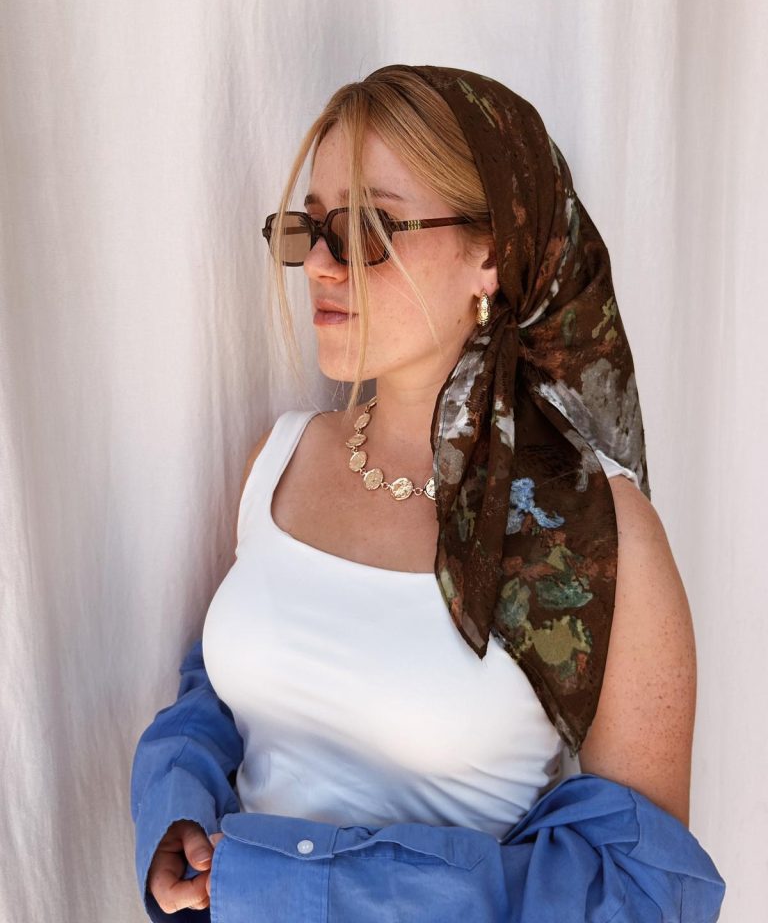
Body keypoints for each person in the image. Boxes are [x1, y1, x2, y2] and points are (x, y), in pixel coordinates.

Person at [130, 64, 726, 921]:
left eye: (369, 228)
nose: (320, 264)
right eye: (311, 227)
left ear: (493, 253)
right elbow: (221, 696)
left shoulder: (598, 536)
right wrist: (176, 813)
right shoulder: (282, 456)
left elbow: (637, 890)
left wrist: (288, 884)